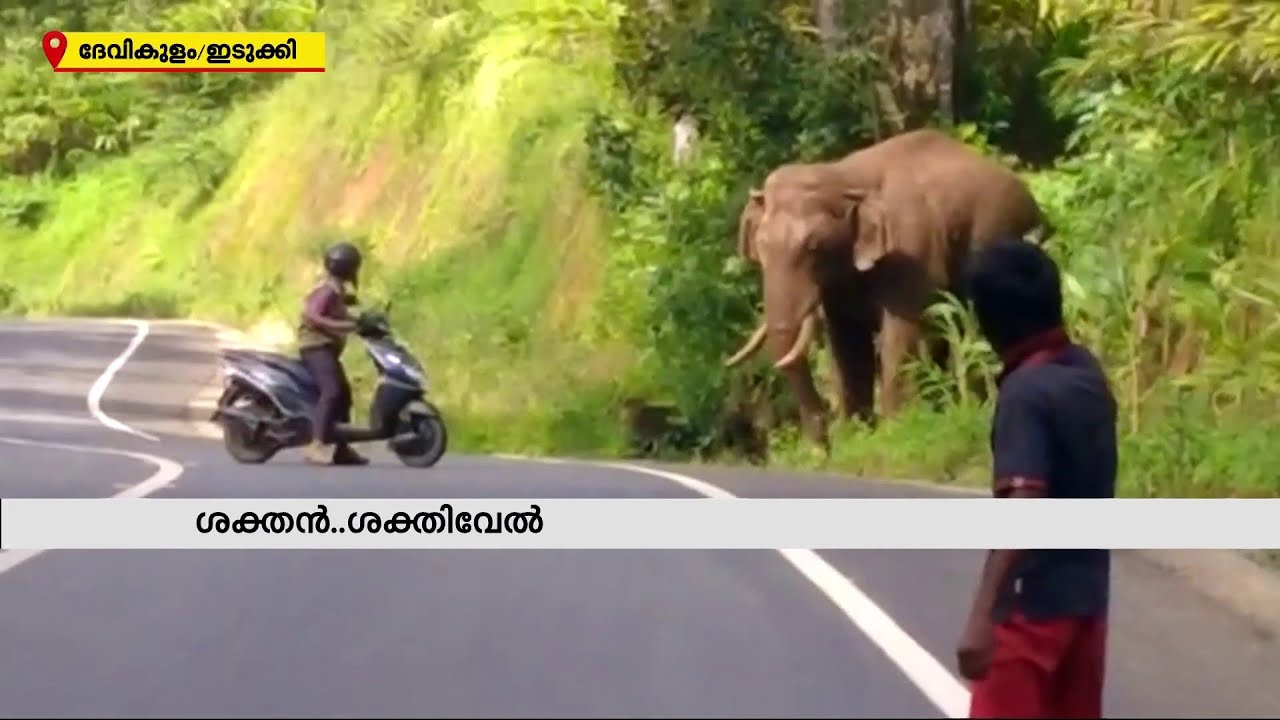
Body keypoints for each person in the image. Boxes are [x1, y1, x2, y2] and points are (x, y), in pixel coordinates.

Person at [956, 237, 1118, 719]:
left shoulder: (1026, 393)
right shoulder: (1085, 372)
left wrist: (983, 615)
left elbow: (1025, 503)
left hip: (1030, 612)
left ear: (987, 319)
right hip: (1086, 607)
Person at [297, 240, 369, 466]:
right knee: (331, 391)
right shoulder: (327, 290)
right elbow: (311, 314)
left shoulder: (336, 289)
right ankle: (315, 445)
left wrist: (358, 320)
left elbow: (340, 314)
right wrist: (338, 326)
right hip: (315, 347)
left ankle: (342, 448)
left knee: (344, 395)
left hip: (326, 348)